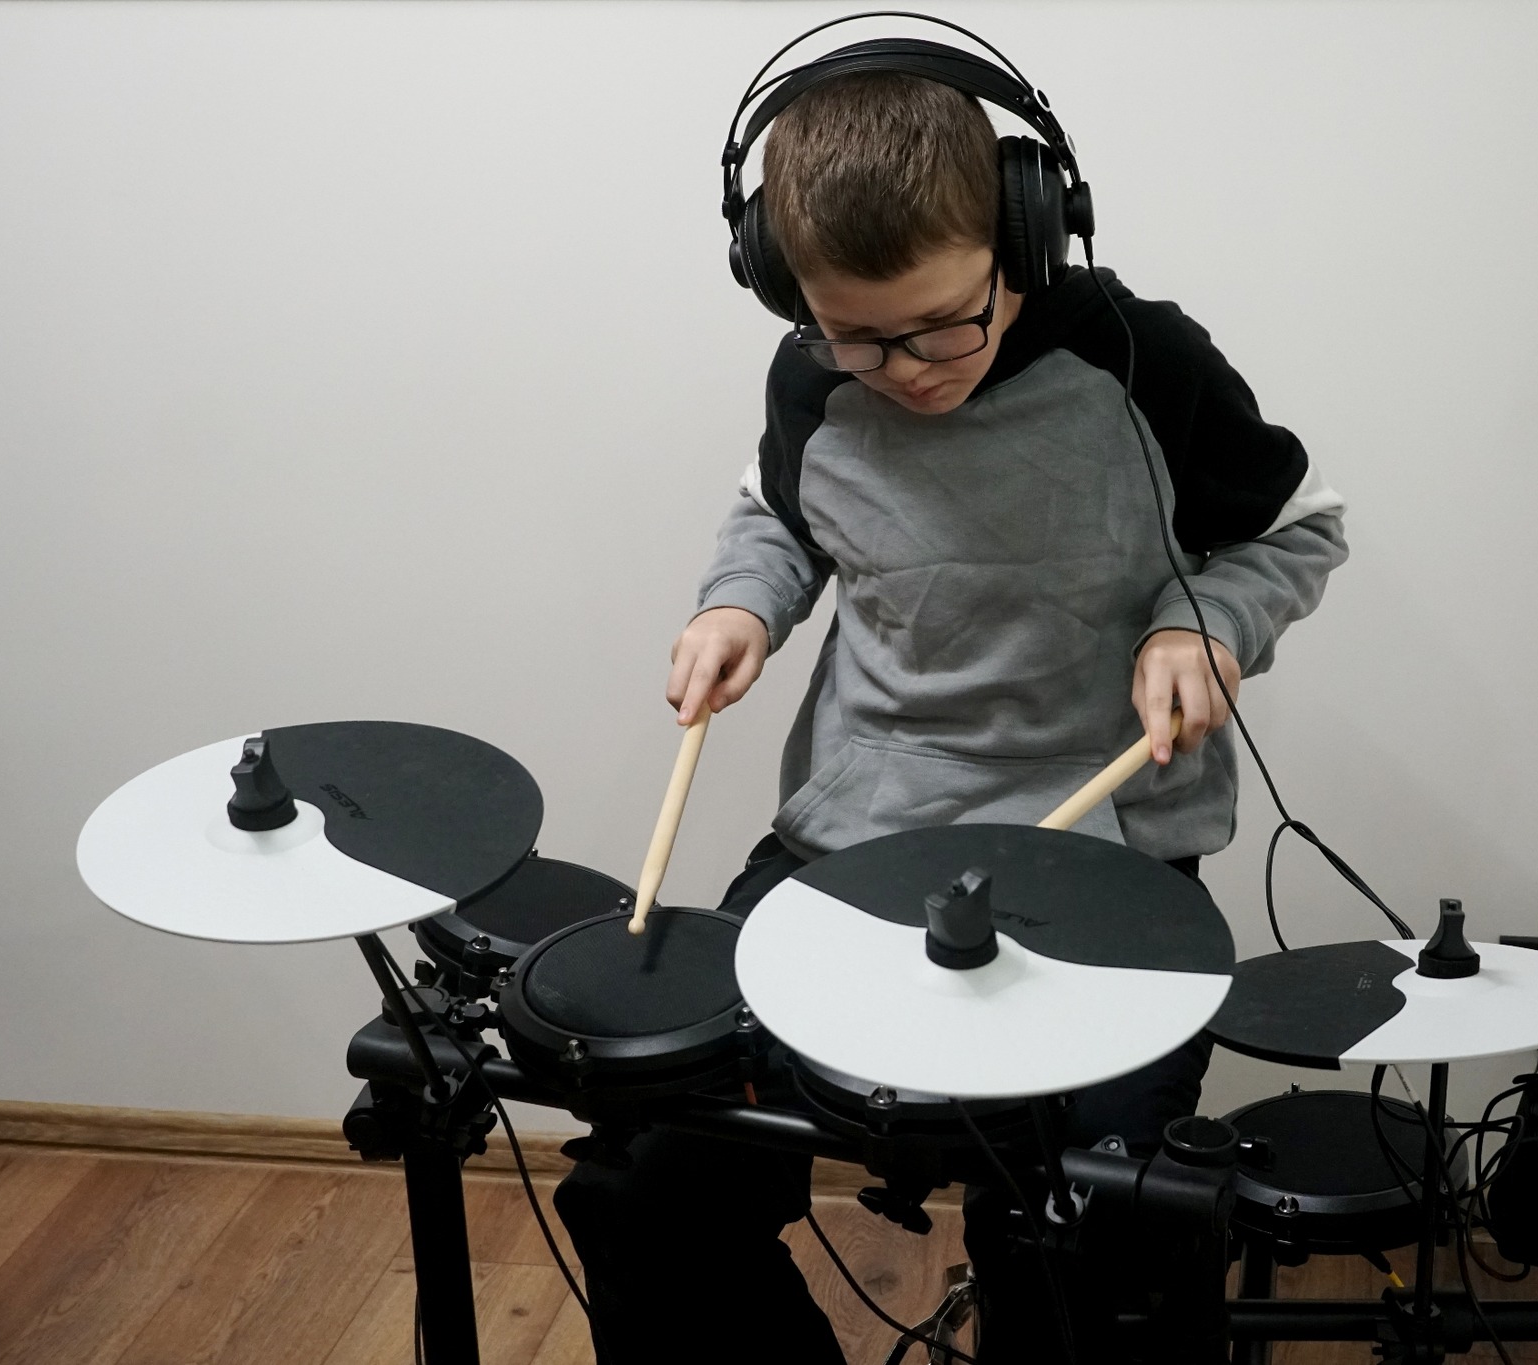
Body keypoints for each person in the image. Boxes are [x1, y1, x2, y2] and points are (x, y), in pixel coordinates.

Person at [555, 52, 1346, 1365]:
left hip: (1100, 852)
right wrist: (741, 605)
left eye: (942, 325)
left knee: (1100, 1238)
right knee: (648, 1192)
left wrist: (1199, 624)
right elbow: (778, 514)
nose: (906, 369)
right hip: (860, 835)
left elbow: (1294, 529)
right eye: (857, 337)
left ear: (1022, 237)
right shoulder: (812, 375)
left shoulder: (1141, 361)